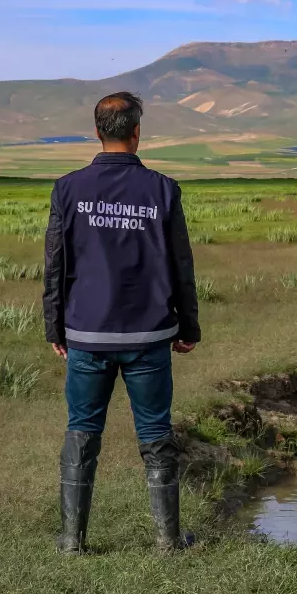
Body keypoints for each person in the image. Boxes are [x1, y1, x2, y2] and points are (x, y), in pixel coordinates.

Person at [43, 91, 201, 555]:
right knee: (155, 432)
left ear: (97, 132)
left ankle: (72, 542)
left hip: (86, 334)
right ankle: (168, 541)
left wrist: (54, 326)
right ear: (136, 133)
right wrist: (189, 327)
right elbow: (181, 264)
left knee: (82, 430)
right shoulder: (162, 189)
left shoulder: (68, 188)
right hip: (149, 334)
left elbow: (55, 263)